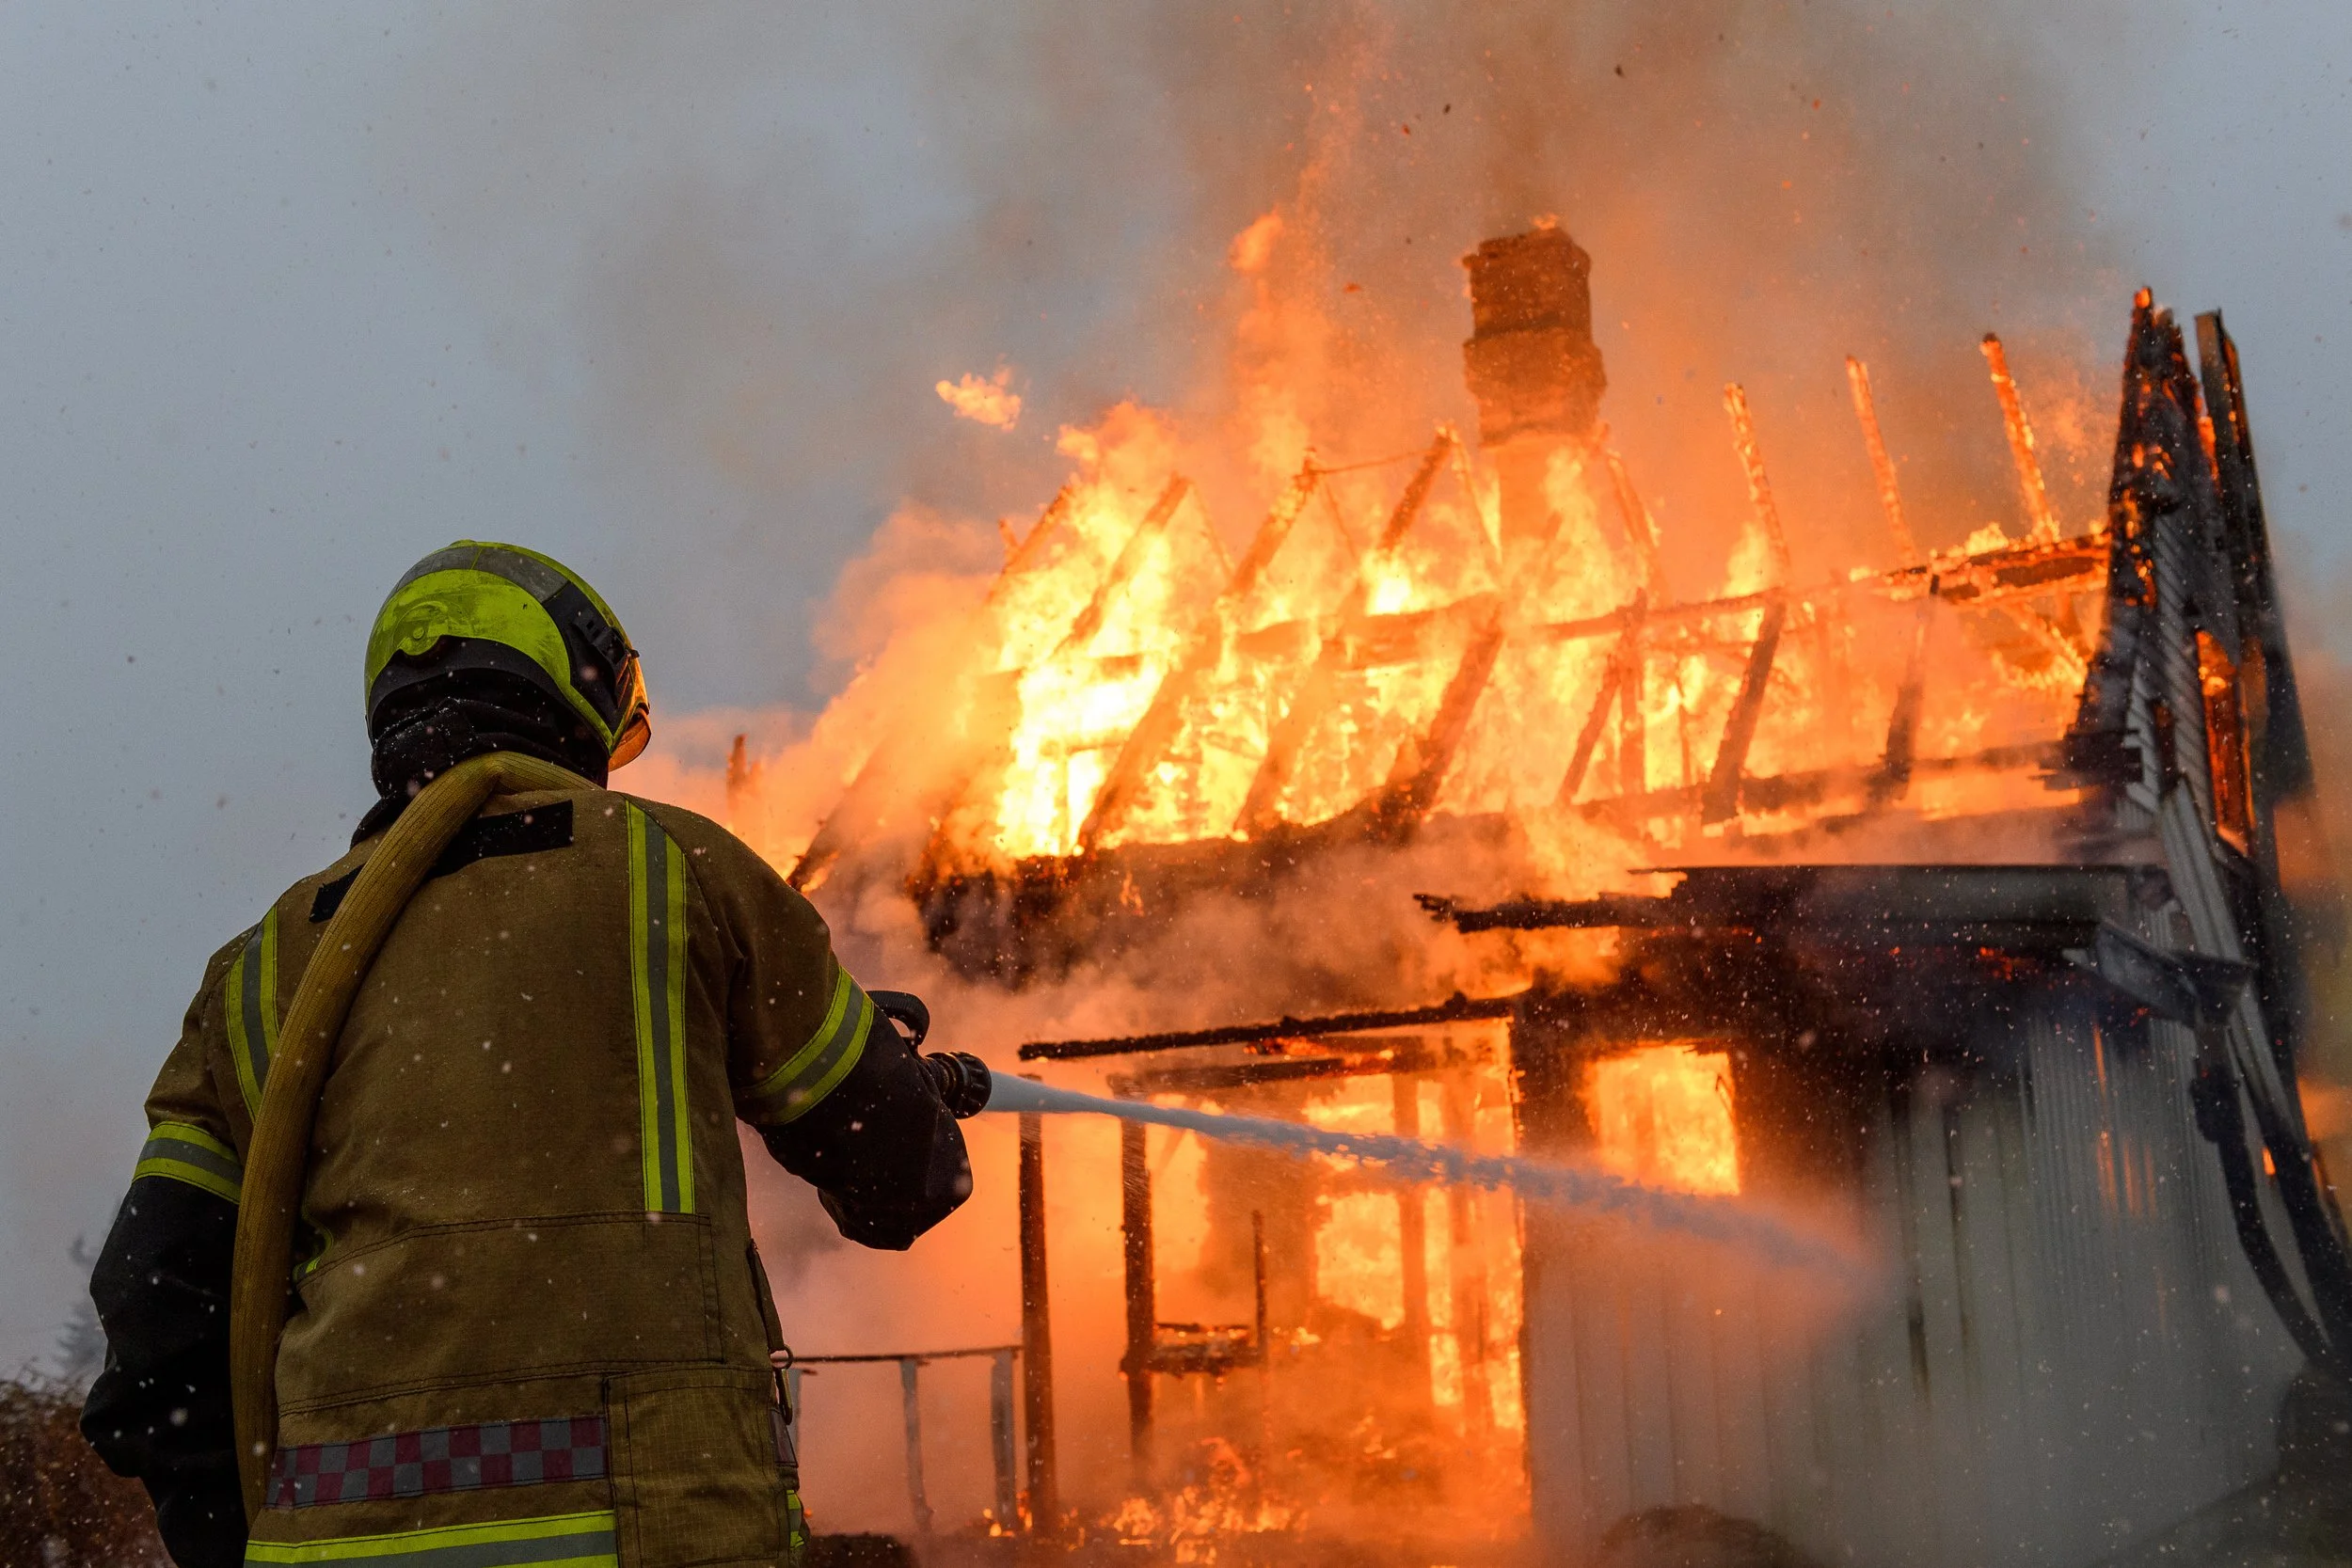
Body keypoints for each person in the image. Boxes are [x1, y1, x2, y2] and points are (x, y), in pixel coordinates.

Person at [80, 541, 989, 1568]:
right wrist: (881, 1069)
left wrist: (245, 1537)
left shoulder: (259, 973)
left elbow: (155, 1316)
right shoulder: (679, 872)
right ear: (577, 700)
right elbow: (906, 1179)